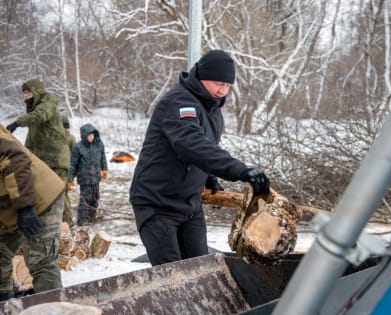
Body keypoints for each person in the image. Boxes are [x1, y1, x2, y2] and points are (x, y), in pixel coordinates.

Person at [129, 49, 270, 266]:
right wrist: (239, 170)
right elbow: (191, 143)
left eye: (227, 86)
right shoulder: (180, 102)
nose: (222, 91)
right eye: (218, 84)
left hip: (189, 205)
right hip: (157, 204)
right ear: (202, 76)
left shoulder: (212, 108)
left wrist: (207, 177)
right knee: (171, 275)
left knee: (199, 269)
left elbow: (206, 148)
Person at [0, 124, 65, 301]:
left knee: (40, 262)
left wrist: (25, 207)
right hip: (8, 210)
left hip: (38, 200)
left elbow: (15, 159)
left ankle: (54, 311)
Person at [6, 79, 70, 221]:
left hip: (56, 159)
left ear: (36, 91)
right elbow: (32, 139)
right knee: (46, 194)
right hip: (44, 160)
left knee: (58, 194)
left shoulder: (47, 106)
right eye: (24, 93)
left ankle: (68, 228)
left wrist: (17, 123)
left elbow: (39, 115)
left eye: (28, 92)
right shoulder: (34, 112)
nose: (25, 96)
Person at [67, 123, 108, 226]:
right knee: (85, 198)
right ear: (84, 136)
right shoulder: (78, 147)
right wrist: (70, 179)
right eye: (89, 135)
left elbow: (103, 157)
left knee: (95, 197)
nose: (91, 137)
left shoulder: (99, 144)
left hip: (96, 177)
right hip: (85, 178)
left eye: (92, 135)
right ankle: (82, 219)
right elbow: (72, 164)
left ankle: (91, 217)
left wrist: (104, 169)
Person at [61, 115, 77, 226]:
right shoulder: (70, 138)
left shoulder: (70, 139)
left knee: (63, 197)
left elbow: (75, 158)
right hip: (62, 172)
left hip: (65, 172)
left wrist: (71, 176)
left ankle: (68, 223)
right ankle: (66, 222)